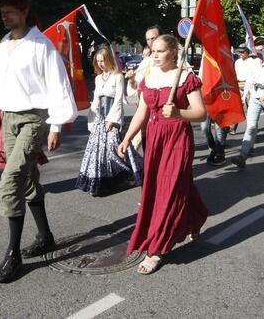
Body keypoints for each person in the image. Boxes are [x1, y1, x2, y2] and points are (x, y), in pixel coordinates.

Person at [0, 0, 77, 283]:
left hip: (32, 119)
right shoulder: (3, 44)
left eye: (10, 12)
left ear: (24, 11)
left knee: (11, 180)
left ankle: (12, 254)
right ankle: (46, 235)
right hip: (7, 117)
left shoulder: (41, 45)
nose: (5, 18)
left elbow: (59, 86)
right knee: (28, 181)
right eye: (2, 14)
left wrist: (57, 126)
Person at [118, 34, 208, 275]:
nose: (155, 55)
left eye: (160, 51)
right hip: (155, 138)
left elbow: (201, 113)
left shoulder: (187, 78)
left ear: (174, 52)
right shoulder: (149, 78)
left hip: (177, 137)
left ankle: (157, 248)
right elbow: (141, 112)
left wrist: (179, 112)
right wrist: (127, 137)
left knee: (169, 190)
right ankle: (196, 216)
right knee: (169, 186)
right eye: (153, 50)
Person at [77, 47, 143, 196]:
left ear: (109, 60)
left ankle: (133, 173)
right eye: (98, 61)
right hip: (100, 118)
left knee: (115, 150)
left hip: (112, 117)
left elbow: (119, 99)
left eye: (103, 60)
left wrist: (113, 120)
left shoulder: (117, 76)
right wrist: (92, 118)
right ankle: (102, 182)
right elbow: (96, 100)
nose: (100, 64)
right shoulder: (98, 78)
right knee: (98, 152)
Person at [232, 40, 264, 168]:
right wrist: (245, 95)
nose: (258, 51)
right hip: (255, 97)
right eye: (257, 49)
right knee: (251, 127)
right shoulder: (254, 62)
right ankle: (242, 156)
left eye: (261, 49)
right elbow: (250, 78)